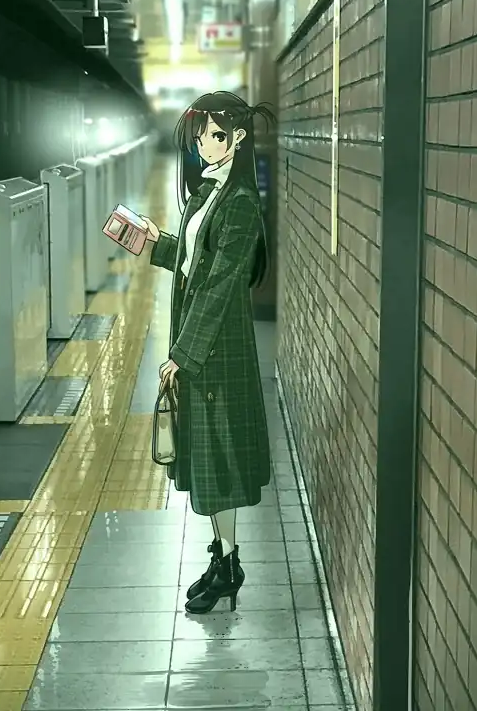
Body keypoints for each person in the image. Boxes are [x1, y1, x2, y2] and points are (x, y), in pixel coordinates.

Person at [139, 91, 274, 614]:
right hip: (204, 345)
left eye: (214, 135)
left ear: (237, 139)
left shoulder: (239, 204)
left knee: (219, 458)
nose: (204, 145)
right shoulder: (208, 193)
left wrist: (182, 354)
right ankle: (224, 559)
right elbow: (196, 261)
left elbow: (220, 284)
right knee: (211, 459)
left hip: (219, 349)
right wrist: (154, 242)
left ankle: (229, 565)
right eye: (199, 136)